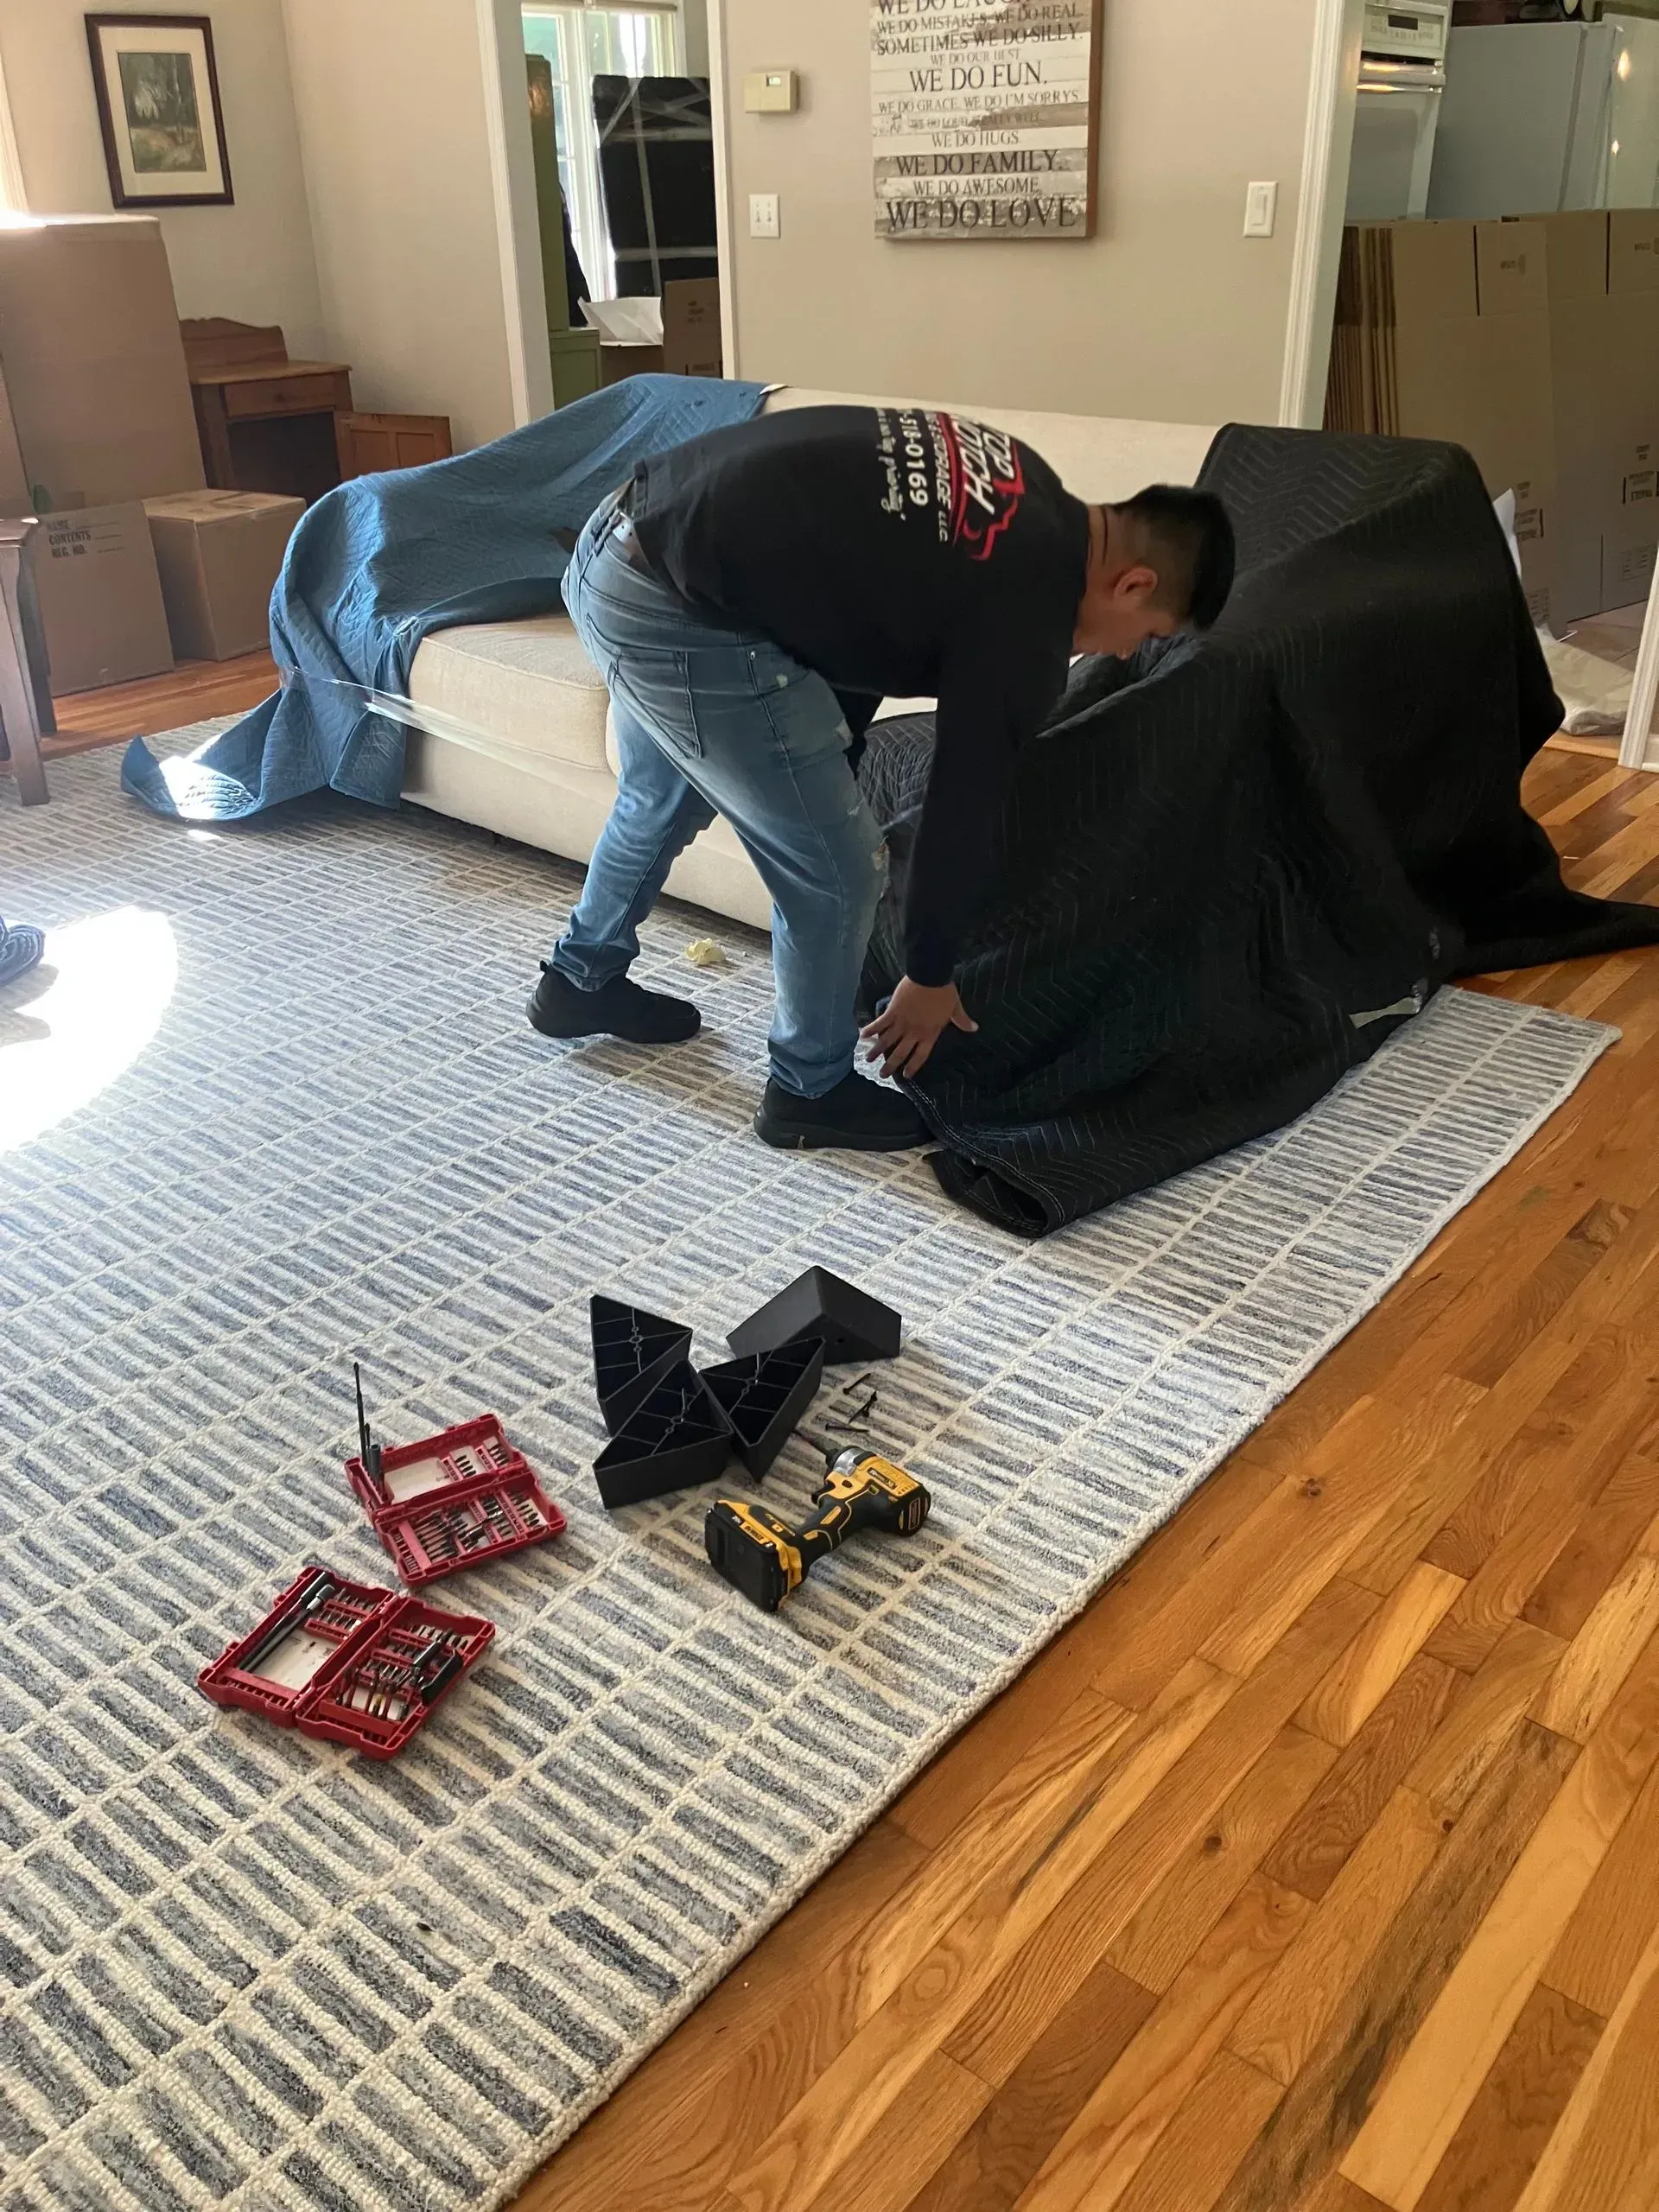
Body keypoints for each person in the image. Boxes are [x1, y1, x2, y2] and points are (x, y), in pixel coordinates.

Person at [528, 404, 1236, 1151]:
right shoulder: (1029, 609)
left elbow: (860, 616)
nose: (1127, 655)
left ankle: (579, 982)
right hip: (678, 607)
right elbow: (961, 803)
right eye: (1150, 634)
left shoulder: (1024, 483)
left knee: (663, 797)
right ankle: (811, 1091)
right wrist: (930, 977)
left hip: (619, 547)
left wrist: (837, 754)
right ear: (1133, 585)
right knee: (837, 870)